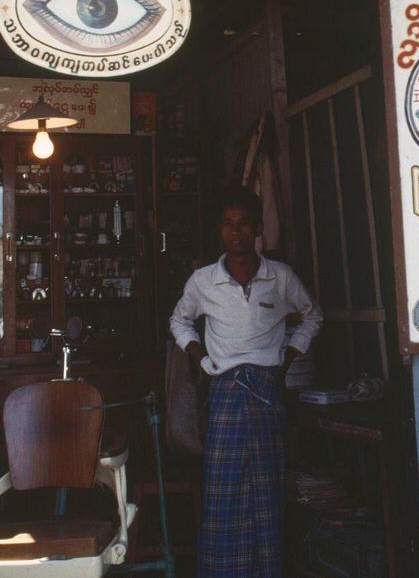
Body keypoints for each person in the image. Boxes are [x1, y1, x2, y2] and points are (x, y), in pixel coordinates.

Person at [169, 187, 322, 578]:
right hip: (225, 392)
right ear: (219, 229)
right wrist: (201, 358)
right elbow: (179, 321)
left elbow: (312, 316)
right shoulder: (203, 281)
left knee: (266, 490)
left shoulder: (279, 276)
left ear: (257, 229)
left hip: (267, 392)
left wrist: (288, 358)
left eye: (243, 224)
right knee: (224, 491)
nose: (235, 232)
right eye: (228, 224)